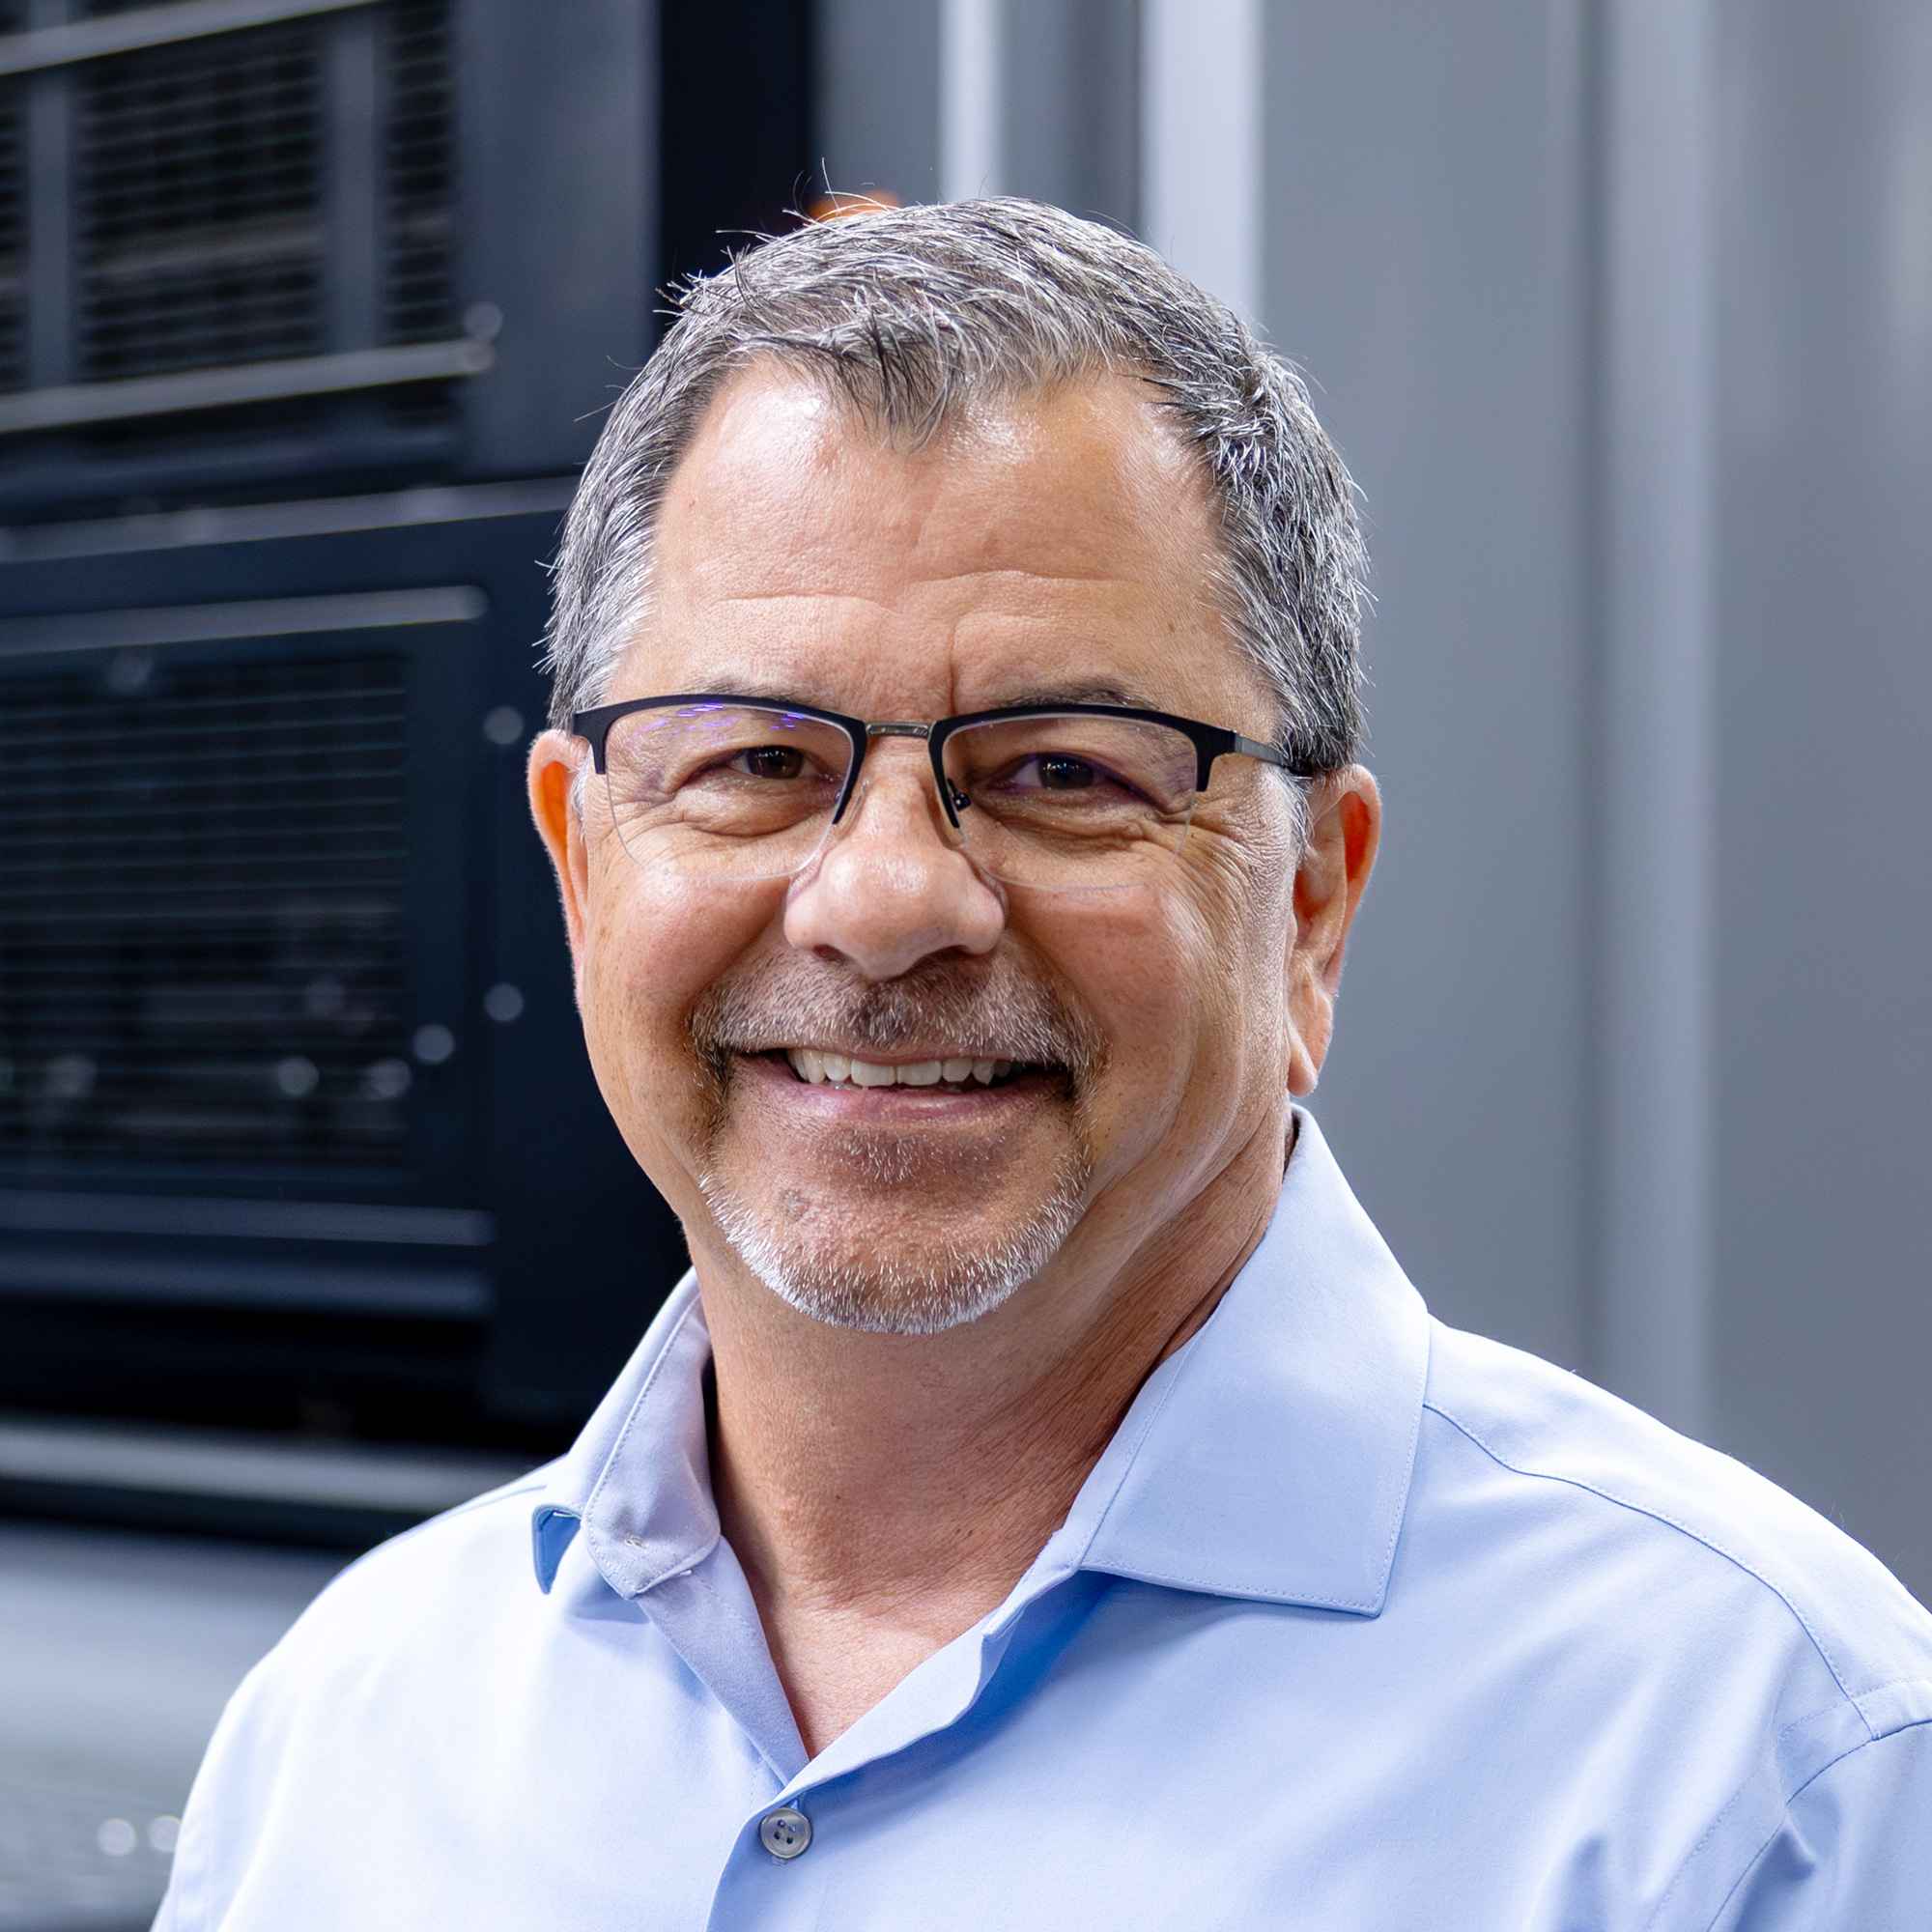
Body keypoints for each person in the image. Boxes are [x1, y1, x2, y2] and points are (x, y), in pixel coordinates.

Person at [157, 200, 1932, 1930]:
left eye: (1066, 769)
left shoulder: (1774, 1777)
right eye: (758, 760)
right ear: (580, 863)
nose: (884, 901)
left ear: (1310, 905)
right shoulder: (348, 1733)